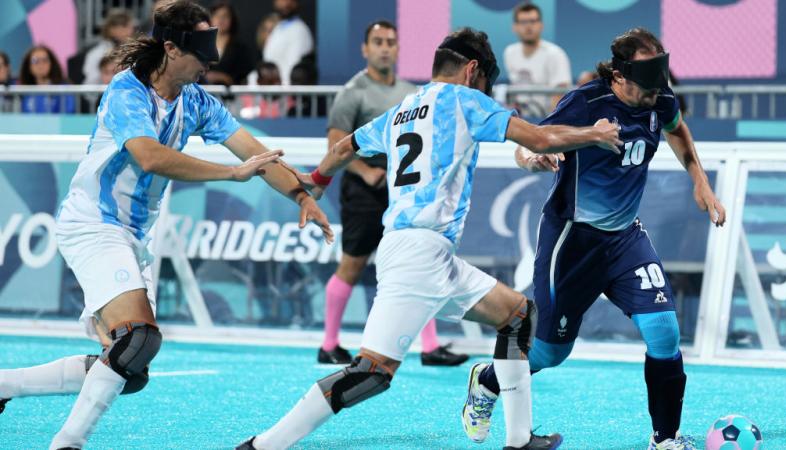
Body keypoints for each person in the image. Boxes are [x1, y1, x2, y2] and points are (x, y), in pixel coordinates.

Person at [235, 27, 621, 450]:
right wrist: (595, 134)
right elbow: (541, 137)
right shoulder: (465, 99)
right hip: (419, 254)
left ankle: (519, 439)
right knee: (371, 373)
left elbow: (346, 146)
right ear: (473, 70)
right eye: (486, 81)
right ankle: (262, 446)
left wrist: (318, 180)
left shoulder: (403, 108)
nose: (486, 90)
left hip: (428, 254)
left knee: (517, 315)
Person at [0, 2, 331, 449]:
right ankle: (66, 444)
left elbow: (253, 155)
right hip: (94, 223)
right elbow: (150, 156)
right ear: (171, 49)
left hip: (135, 237)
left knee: (128, 368)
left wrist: (301, 194)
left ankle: (6, 385)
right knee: (137, 339)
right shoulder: (127, 91)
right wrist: (229, 174)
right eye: (201, 54)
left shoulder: (196, 100)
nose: (209, 63)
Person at [460, 27, 726, 450]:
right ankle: (487, 380)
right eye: (645, 84)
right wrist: (534, 156)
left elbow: (677, 130)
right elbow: (528, 141)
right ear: (619, 76)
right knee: (548, 354)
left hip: (624, 240)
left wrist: (700, 180)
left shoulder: (659, 96)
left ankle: (666, 439)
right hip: (571, 242)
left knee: (663, 330)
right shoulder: (587, 102)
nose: (655, 93)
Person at [317, 20, 467, 367]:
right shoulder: (353, 92)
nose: (385, 47)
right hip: (364, 191)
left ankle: (429, 348)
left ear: (398, 49)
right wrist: (368, 172)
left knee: (417, 264)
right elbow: (334, 145)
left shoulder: (410, 92)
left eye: (390, 42)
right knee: (352, 265)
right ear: (365, 49)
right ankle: (328, 343)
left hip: (403, 192)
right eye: (378, 42)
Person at [503, 2, 571, 117]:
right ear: (515, 27)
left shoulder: (555, 54)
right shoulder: (509, 53)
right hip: (520, 120)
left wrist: (547, 126)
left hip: (546, 121)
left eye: (533, 21)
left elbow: (560, 99)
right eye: (523, 22)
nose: (528, 26)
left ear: (541, 25)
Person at [263, 0, 314, 85]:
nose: (285, 4)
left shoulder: (300, 30)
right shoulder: (278, 28)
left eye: (288, 1)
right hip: (271, 91)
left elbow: (294, 66)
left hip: (286, 92)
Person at [205, 2, 254, 85]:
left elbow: (244, 75)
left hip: (231, 94)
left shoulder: (240, 47)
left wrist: (224, 78)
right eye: (217, 15)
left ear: (232, 20)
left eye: (225, 16)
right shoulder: (202, 44)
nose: (221, 19)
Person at [82, 9, 135, 85]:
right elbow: (91, 82)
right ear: (112, 29)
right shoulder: (96, 54)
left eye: (130, 27)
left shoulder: (134, 51)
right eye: (124, 26)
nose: (130, 31)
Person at [18, 45, 76, 114]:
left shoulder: (64, 88)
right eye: (35, 61)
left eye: (45, 60)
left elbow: (68, 113)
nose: (41, 64)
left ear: (51, 64)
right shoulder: (24, 92)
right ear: (29, 67)